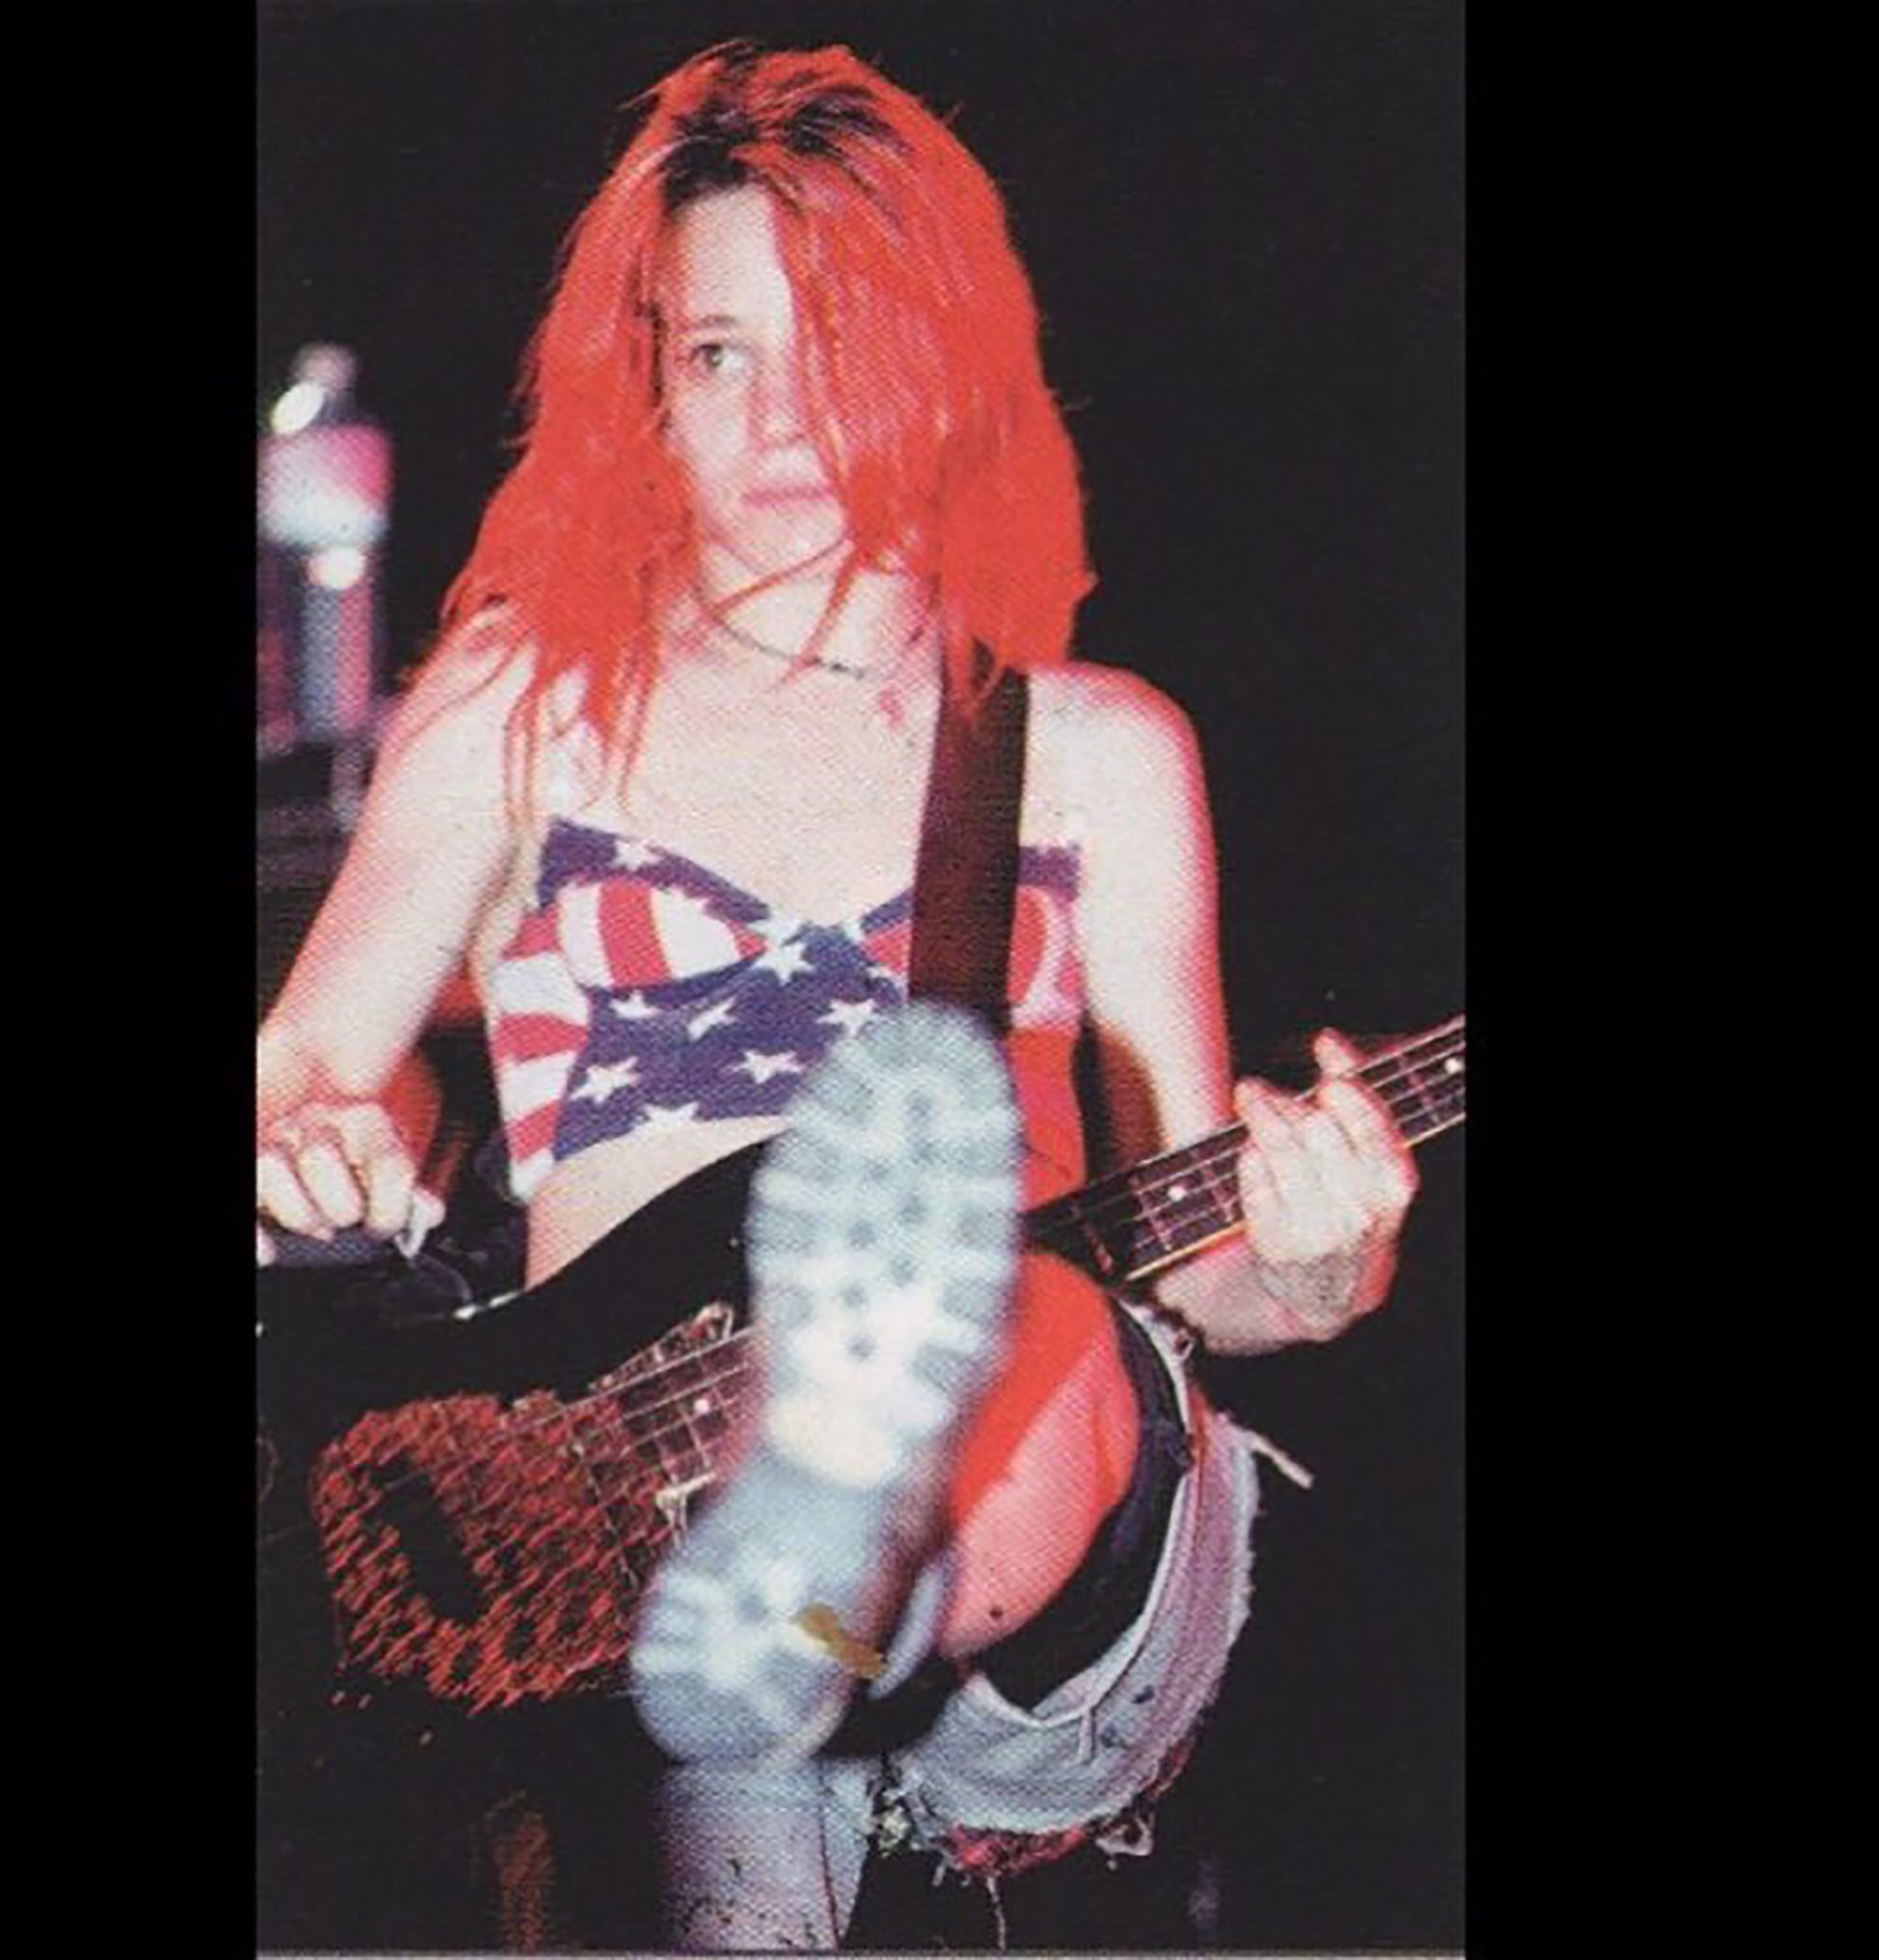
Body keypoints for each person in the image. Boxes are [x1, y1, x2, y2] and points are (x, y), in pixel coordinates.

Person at [255, 42, 1420, 1950]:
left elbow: (1205, 1263)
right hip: (604, 1504)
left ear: (947, 360)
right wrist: (311, 1138)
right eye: (719, 353)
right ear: (647, 386)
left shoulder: (1094, 753)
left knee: (1019, 1317)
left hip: (1028, 1561)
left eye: (840, 341)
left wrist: (1317, 1265)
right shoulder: (516, 709)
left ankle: (804, 1619)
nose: (779, 413)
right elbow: (304, 1061)